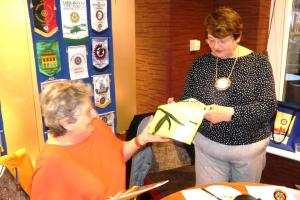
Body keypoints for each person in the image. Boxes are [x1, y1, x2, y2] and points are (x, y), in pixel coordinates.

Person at [169, 6, 277, 185]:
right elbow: (190, 99)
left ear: (238, 37)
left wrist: (230, 114)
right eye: (211, 40)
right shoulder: (201, 63)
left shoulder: (259, 63)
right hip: (208, 149)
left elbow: (267, 107)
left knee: (243, 196)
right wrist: (178, 108)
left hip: (248, 151)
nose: (215, 46)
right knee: (207, 196)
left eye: (222, 41)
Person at [30, 80, 169, 199]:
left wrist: (141, 139)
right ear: (66, 122)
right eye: (87, 112)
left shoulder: (96, 127)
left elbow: (118, 153)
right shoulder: (49, 168)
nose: (95, 115)